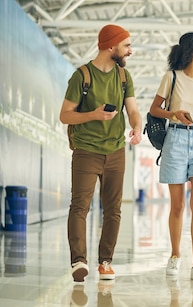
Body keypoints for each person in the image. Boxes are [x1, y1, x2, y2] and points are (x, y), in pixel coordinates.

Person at [60, 24, 142, 283]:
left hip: (117, 150)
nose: (130, 50)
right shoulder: (81, 76)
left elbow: (133, 110)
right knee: (79, 206)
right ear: (111, 46)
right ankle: (78, 261)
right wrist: (94, 114)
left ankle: (105, 261)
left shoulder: (123, 77)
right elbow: (65, 115)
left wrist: (137, 128)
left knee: (113, 210)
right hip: (86, 150)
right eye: (126, 45)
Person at [148, 29, 193, 281]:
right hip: (176, 138)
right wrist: (174, 113)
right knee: (177, 205)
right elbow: (155, 109)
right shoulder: (172, 77)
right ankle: (175, 255)